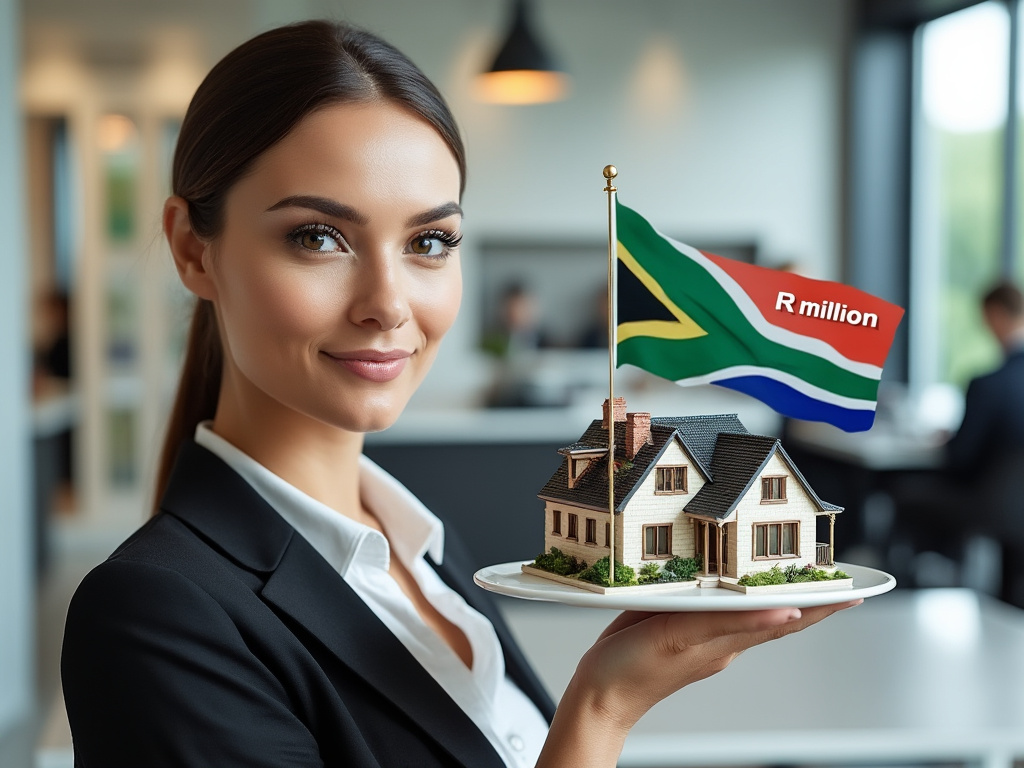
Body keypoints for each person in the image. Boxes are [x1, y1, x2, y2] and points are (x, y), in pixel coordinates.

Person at [61, 20, 859, 768]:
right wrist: (603, 707)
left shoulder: (420, 549)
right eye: (317, 237)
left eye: (428, 242)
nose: (390, 302)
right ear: (192, 251)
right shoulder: (155, 615)